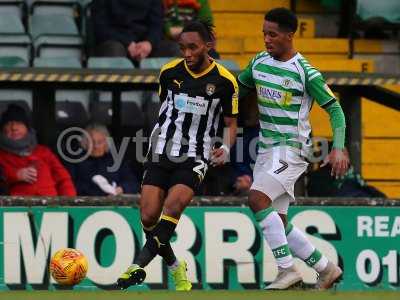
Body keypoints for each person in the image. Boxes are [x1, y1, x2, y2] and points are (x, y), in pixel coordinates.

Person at [117, 20, 238, 290]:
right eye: (182, 48)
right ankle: (175, 265)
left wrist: (226, 147)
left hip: (196, 154)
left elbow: (231, 125)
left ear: (209, 46)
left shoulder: (225, 82)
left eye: (193, 47)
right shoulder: (168, 72)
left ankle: (137, 266)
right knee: (149, 217)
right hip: (161, 151)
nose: (187, 54)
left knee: (172, 208)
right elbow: (166, 111)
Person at [237, 8, 350, 290]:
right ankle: (327, 269)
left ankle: (287, 270)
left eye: (272, 34)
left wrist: (338, 147)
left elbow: (335, 110)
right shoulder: (259, 63)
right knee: (279, 222)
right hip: (265, 150)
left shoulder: (306, 72)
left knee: (256, 199)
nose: (266, 39)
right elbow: (239, 89)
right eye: (264, 33)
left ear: (290, 35)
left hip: (292, 150)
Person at [0, 104, 76, 196]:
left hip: (51, 206)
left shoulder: (44, 152)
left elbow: (63, 179)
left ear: (27, 128)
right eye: (8, 124)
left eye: (19, 123)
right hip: (17, 208)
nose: (14, 128)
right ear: (3, 129)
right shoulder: (1, 155)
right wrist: (15, 175)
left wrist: (69, 204)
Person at [91, 0, 180, 62]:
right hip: (115, 40)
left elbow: (157, 24)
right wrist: (127, 43)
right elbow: (100, 27)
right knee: (114, 49)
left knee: (174, 49)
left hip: (145, 43)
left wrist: (149, 43)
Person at [66, 123, 139, 196]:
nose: (95, 146)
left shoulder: (116, 161)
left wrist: (121, 189)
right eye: (91, 142)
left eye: (100, 142)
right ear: (84, 143)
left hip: (114, 203)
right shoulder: (76, 162)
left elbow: (132, 183)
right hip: (86, 204)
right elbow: (70, 185)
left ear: (107, 142)